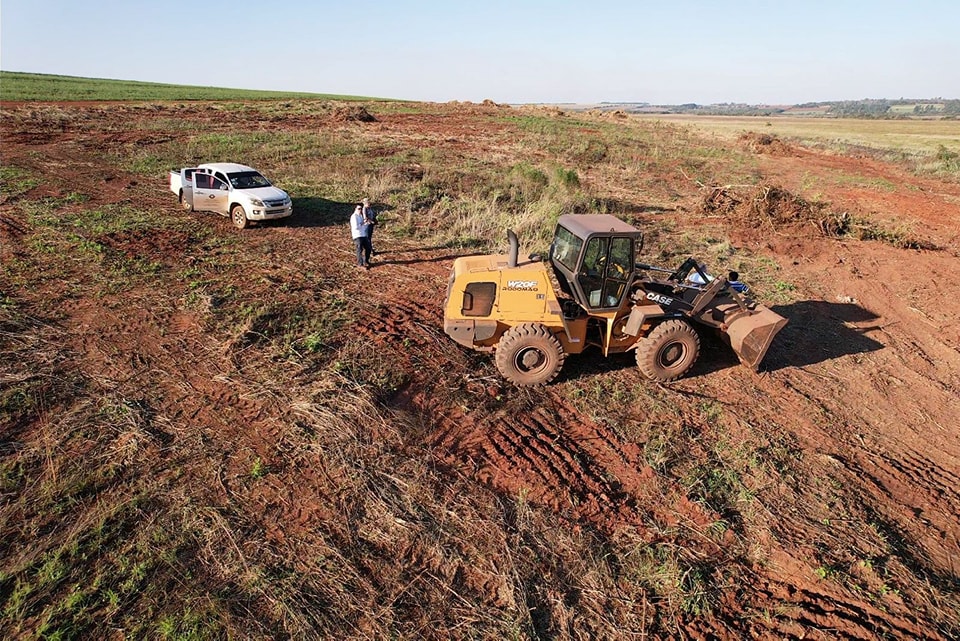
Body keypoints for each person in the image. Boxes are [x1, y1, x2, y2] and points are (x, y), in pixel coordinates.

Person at [350, 204, 372, 269]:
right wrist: (363, 223)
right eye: (358, 209)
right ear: (355, 209)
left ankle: (366, 261)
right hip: (357, 235)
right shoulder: (354, 216)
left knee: (368, 248)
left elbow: (363, 227)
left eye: (361, 209)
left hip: (363, 234)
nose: (360, 210)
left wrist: (367, 223)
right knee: (359, 250)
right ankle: (360, 264)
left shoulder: (361, 216)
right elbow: (356, 227)